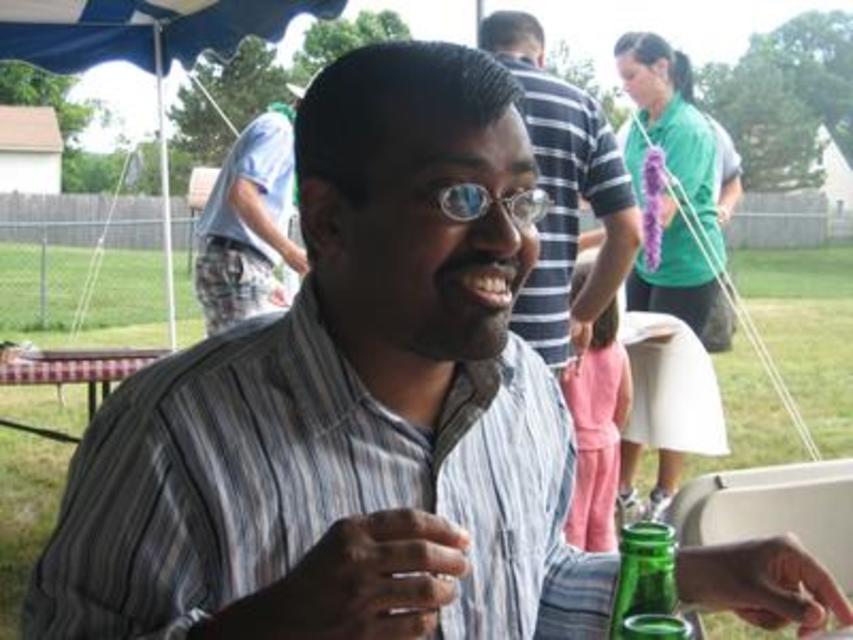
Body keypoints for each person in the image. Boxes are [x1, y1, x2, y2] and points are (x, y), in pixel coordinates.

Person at [23, 41, 853, 640]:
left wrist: (696, 574)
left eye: (521, 200)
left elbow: (536, 585)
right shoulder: (172, 434)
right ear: (329, 221)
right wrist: (269, 627)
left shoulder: (525, 390)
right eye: (457, 197)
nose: (508, 239)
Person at [479, 11, 642, 372]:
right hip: (544, 336)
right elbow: (629, 233)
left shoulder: (456, 99)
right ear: (541, 56)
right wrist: (583, 315)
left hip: (456, 328)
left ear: (483, 50)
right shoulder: (581, 109)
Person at [614, 32, 728, 521]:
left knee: (669, 382)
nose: (625, 87)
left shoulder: (689, 129)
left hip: (686, 270)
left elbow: (659, 214)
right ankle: (622, 487)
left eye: (631, 75)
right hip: (646, 265)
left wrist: (598, 242)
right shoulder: (641, 126)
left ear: (662, 68)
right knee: (631, 374)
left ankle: (665, 491)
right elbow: (623, 194)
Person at [194, 104, 310, 336]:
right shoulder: (280, 132)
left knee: (237, 353)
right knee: (247, 355)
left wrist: (267, 282)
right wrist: (291, 253)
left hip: (235, 261)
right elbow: (242, 194)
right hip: (237, 263)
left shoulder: (275, 129)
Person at [562, 261, 632, 552]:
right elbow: (626, 399)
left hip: (575, 446)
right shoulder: (618, 351)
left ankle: (575, 569)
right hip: (607, 443)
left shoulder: (568, 354)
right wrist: (612, 431)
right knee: (602, 519)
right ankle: (606, 567)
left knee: (572, 522)